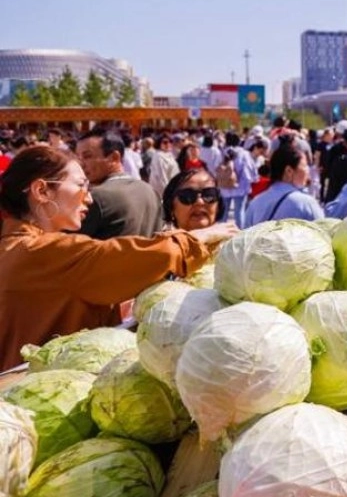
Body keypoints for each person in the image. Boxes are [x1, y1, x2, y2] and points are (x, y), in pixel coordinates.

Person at [0, 146, 235, 370]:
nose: (89, 199)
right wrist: (197, 239)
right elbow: (127, 255)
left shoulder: (13, 247)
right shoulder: (45, 252)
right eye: (81, 186)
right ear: (42, 191)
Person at [75, 128, 162, 240]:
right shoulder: (150, 190)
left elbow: (69, 245)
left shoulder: (96, 197)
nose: (81, 164)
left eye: (87, 156)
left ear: (114, 158)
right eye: (78, 157)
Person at [244, 142, 325, 226]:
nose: (307, 171)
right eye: (304, 166)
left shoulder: (256, 202)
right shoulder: (306, 203)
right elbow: (324, 232)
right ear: (289, 171)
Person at [163, 168, 228, 232]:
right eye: (188, 196)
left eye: (209, 195)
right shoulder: (162, 241)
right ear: (171, 208)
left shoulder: (234, 240)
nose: (200, 202)